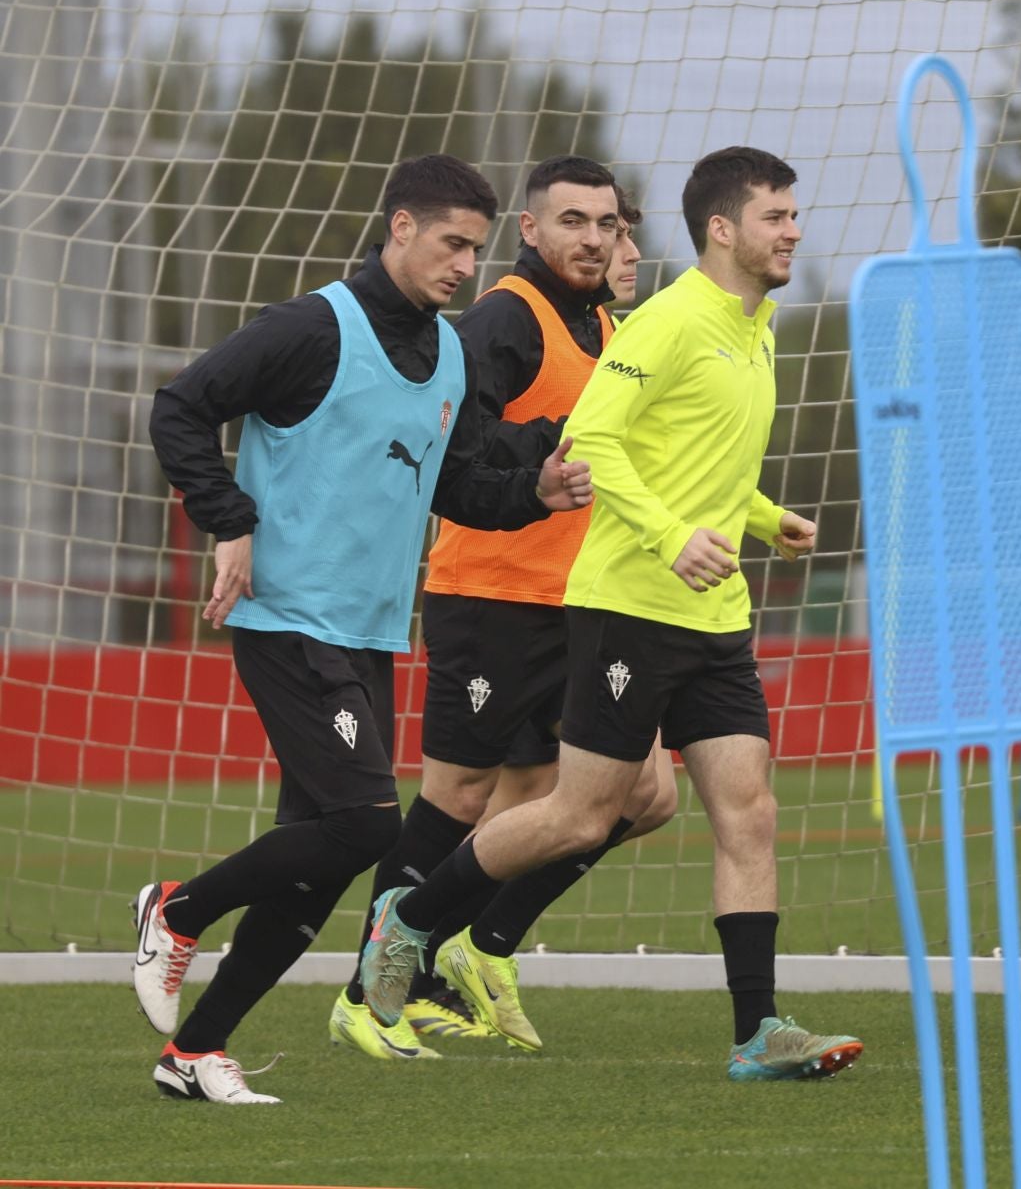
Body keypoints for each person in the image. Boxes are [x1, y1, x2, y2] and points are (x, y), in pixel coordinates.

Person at [356, 146, 862, 1081]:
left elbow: (700, 455)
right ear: (723, 228)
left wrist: (760, 515)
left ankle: (758, 1034)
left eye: (795, 217)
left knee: (746, 814)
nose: (795, 232)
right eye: (777, 218)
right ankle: (415, 921)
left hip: (716, 615)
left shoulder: (761, 324)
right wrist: (671, 537)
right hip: (626, 608)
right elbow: (596, 442)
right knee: (582, 816)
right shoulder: (665, 323)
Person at [133, 154, 593, 1103]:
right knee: (366, 822)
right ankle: (179, 908)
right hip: (288, 617)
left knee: (323, 857)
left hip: (375, 631)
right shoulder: (313, 326)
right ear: (400, 228)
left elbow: (458, 484)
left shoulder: (451, 354)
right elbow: (181, 406)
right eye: (450, 243)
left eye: (476, 248)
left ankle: (196, 1051)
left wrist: (534, 494)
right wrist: (231, 520)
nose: (466, 265)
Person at [325, 160, 676, 1058]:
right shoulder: (503, 319)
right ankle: (370, 989)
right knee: (459, 793)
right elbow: (452, 456)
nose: (594, 238)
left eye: (607, 223)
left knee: (641, 792)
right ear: (531, 228)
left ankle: (477, 945)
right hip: (489, 597)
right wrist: (538, 469)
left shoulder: (602, 323)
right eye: (574, 221)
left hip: (581, 601)